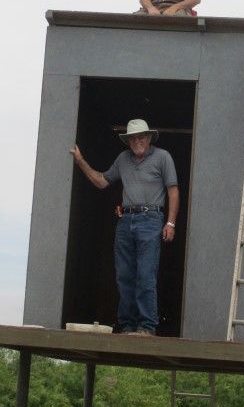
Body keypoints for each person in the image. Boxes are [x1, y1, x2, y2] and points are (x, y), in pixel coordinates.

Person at [70, 119, 179, 336]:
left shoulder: (163, 157)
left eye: (141, 137)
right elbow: (102, 182)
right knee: (124, 275)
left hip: (151, 219)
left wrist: (170, 222)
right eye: (133, 138)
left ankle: (146, 327)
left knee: (146, 274)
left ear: (149, 138)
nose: (137, 141)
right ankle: (128, 326)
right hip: (126, 220)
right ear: (128, 141)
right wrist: (80, 161)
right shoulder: (123, 159)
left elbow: (173, 191)